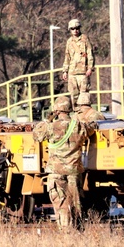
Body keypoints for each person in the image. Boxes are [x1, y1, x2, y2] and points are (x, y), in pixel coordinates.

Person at [32, 96, 93, 230]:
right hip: (74, 172)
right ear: (70, 109)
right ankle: (78, 230)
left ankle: (66, 232)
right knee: (76, 204)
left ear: (56, 110)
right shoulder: (78, 126)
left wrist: (46, 120)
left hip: (56, 172)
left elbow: (36, 135)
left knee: (61, 204)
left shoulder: (51, 126)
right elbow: (90, 130)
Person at [61, 18, 94, 107]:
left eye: (77, 28)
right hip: (72, 72)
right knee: (74, 95)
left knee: (84, 96)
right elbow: (67, 57)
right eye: (72, 29)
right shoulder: (69, 42)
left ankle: (84, 115)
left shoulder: (85, 39)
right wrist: (65, 71)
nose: (75, 30)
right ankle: (76, 114)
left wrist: (90, 68)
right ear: (70, 30)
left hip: (83, 72)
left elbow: (90, 54)